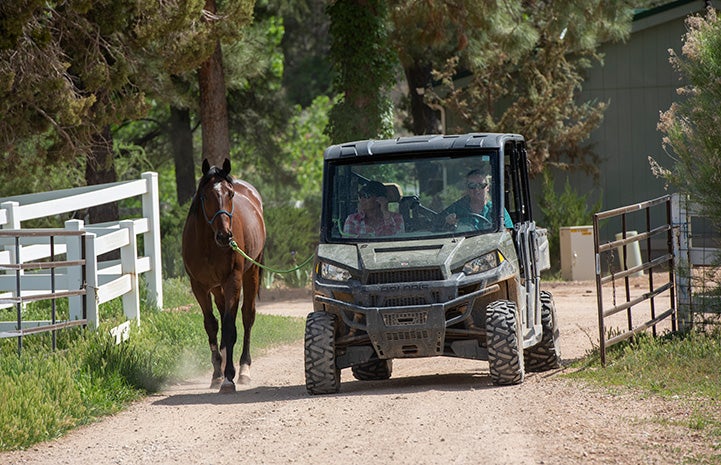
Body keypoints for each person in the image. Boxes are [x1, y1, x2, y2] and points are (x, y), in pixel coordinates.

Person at [442, 168, 513, 230]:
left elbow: (508, 234)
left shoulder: (497, 210)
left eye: (481, 185)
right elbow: (438, 226)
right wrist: (448, 223)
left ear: (487, 187)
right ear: (467, 188)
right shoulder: (456, 209)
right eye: (472, 185)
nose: (477, 189)